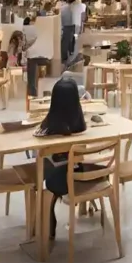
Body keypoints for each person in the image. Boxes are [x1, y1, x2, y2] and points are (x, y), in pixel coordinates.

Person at [35, 78, 88, 240]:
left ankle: (46, 221)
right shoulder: (80, 126)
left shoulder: (48, 128)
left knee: (43, 166)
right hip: (80, 177)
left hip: (59, 181)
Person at [26, 14, 53, 97]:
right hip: (48, 57)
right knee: (32, 61)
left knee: (31, 61)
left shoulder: (31, 30)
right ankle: (33, 90)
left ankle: (32, 91)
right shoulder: (48, 29)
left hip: (36, 58)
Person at [60, 0, 75, 65]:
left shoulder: (63, 7)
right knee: (68, 42)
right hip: (70, 26)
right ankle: (66, 58)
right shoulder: (69, 7)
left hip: (65, 26)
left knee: (64, 44)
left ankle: (64, 59)